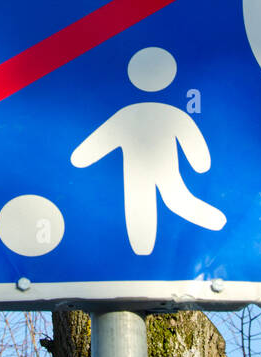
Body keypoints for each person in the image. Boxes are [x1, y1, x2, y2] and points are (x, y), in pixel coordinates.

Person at [70, 47, 225, 255]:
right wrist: (200, 164)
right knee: (174, 200)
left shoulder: (127, 114)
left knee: (148, 203)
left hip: (138, 172)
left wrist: (82, 158)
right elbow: (198, 155)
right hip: (158, 171)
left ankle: (144, 248)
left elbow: (86, 152)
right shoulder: (172, 114)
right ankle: (144, 250)